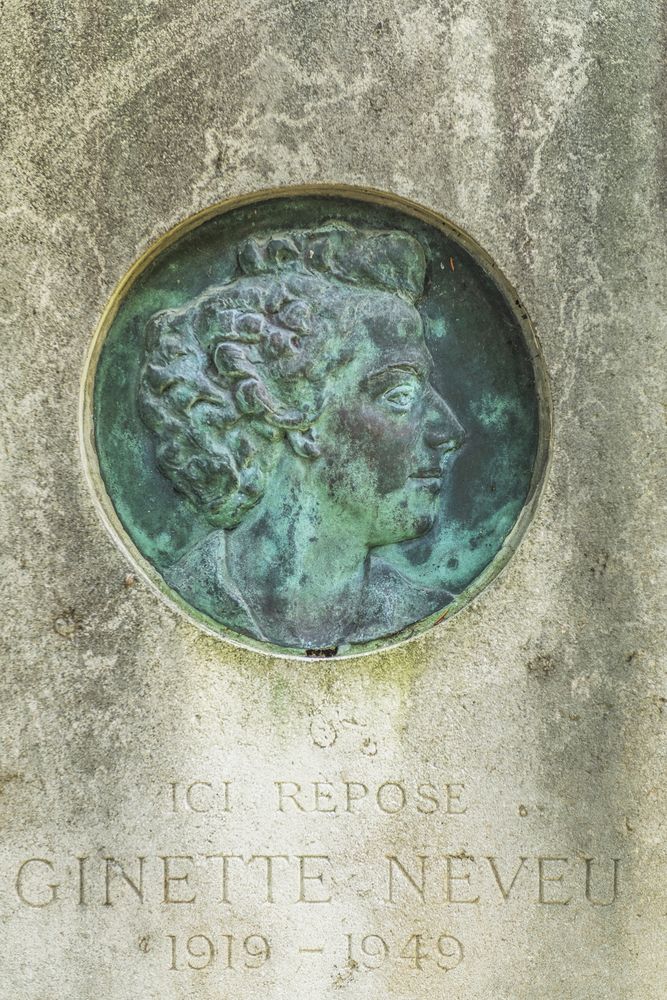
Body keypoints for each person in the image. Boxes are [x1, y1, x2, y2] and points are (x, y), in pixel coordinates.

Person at [138, 221, 464, 650]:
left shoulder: (423, 616)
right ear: (288, 411)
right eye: (400, 394)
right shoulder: (185, 593)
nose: (449, 431)